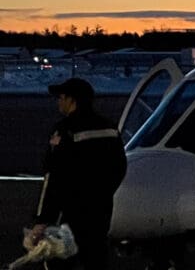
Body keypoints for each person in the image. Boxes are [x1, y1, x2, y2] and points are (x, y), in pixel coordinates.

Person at [29, 78, 127, 270]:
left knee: (59, 261)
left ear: (72, 100)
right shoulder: (109, 128)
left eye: (62, 97)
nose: (59, 102)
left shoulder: (65, 130)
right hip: (100, 210)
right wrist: (104, 193)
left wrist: (43, 219)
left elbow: (54, 176)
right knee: (96, 259)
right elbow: (119, 167)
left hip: (69, 213)